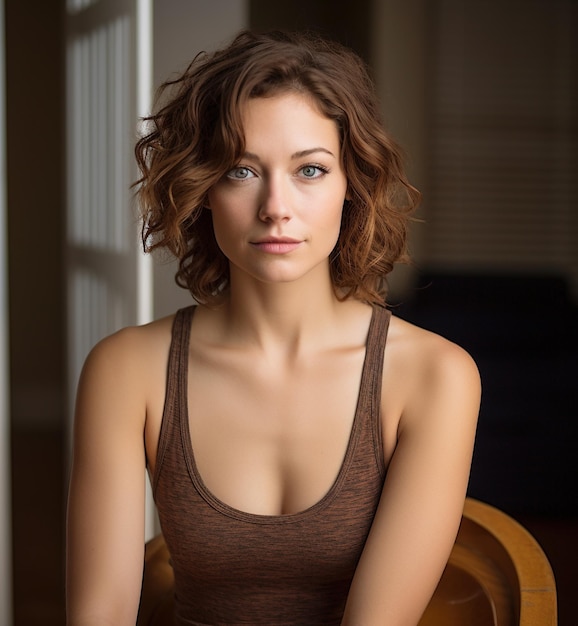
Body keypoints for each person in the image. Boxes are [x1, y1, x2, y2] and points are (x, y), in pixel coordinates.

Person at [66, 30, 481, 626]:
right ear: (203, 188)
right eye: (240, 170)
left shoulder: (434, 376)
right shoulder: (127, 369)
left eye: (310, 170)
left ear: (351, 187)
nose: (275, 207)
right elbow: (98, 615)